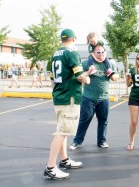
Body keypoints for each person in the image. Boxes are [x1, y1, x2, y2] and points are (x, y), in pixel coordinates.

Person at [43, 29, 91, 180]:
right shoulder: (72, 53)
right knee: (62, 132)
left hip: (59, 96)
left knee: (62, 129)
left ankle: (64, 160)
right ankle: (50, 167)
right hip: (70, 97)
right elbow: (79, 76)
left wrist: (57, 92)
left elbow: (52, 78)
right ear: (73, 39)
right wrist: (88, 78)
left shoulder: (55, 54)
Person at [69, 44, 119, 150]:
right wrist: (88, 72)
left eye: (102, 52)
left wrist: (113, 75)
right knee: (84, 120)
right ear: (93, 53)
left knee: (103, 120)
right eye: (98, 52)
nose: (100, 55)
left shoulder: (109, 64)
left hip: (104, 98)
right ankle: (77, 141)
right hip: (88, 98)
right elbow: (78, 77)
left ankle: (102, 141)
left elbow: (116, 77)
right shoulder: (86, 63)